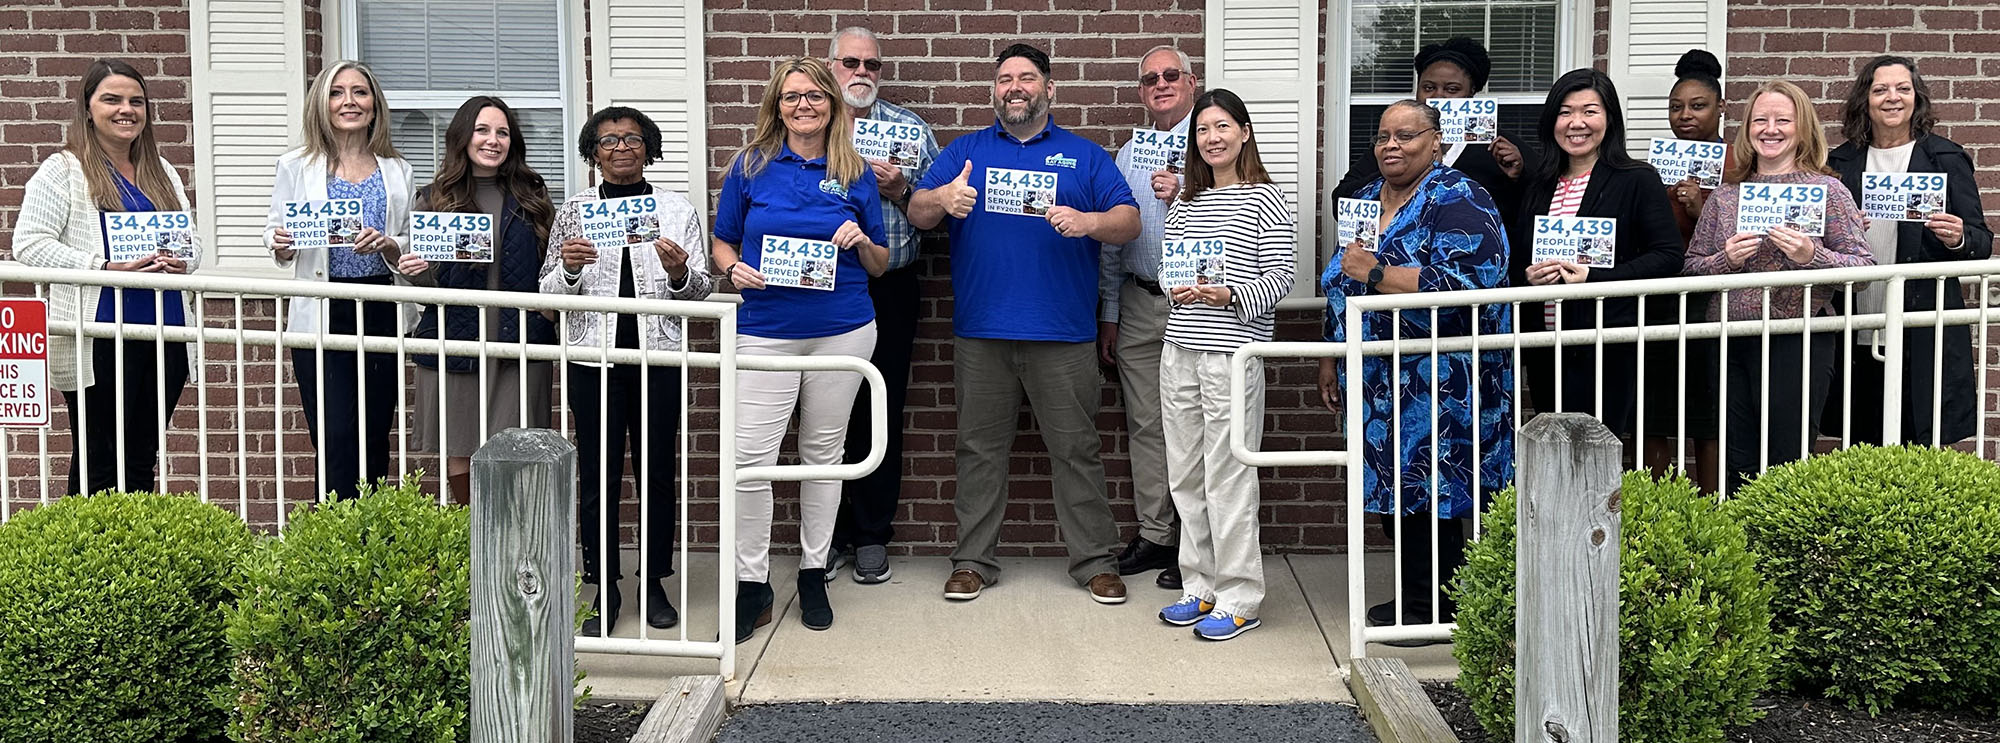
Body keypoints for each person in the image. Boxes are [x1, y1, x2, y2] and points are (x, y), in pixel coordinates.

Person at [909, 43, 1141, 605]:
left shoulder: (1084, 157)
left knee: (1077, 450)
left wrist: (1088, 220)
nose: (1015, 87)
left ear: (1049, 89)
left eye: (1027, 78)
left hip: (1063, 334)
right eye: (1005, 79)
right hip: (981, 333)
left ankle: (1094, 562)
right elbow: (917, 212)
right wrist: (943, 196)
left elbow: (1130, 221)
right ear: (994, 91)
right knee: (978, 450)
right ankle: (972, 561)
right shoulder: (965, 152)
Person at [1315, 100, 1513, 642]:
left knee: (1438, 490)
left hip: (1445, 378)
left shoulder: (1461, 196)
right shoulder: (1362, 201)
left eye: (1406, 135)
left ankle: (1438, 606)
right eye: (1382, 137)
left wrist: (1377, 271)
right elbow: (1341, 283)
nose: (1391, 146)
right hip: (1378, 377)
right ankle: (1417, 594)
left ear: (1436, 141)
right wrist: (1333, 353)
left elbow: (1470, 285)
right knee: (1392, 490)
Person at [711, 58, 888, 643]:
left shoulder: (856, 171)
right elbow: (723, 240)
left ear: (833, 105)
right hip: (765, 327)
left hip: (842, 328)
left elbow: (881, 262)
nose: (803, 106)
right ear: (776, 104)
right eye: (791, 98)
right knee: (749, 461)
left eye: (815, 96)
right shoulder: (750, 165)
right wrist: (734, 267)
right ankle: (751, 583)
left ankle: (814, 572)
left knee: (824, 454)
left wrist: (861, 240)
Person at [540, 106, 713, 635]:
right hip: (594, 358)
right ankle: (603, 586)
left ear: (649, 148)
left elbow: (705, 288)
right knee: (597, 474)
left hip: (657, 358)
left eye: (632, 139)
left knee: (656, 471)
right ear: (592, 151)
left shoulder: (676, 210)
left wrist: (680, 271)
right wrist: (569, 269)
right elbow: (547, 293)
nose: (620, 147)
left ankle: (654, 580)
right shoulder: (573, 211)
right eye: (608, 140)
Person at [15, 58, 201, 497]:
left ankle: (134, 562)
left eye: (137, 101)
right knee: (100, 459)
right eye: (112, 99)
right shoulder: (62, 170)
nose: (127, 110)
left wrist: (182, 261)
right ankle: (90, 561)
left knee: (141, 458)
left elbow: (192, 248)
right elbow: (28, 245)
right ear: (88, 108)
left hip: (166, 329)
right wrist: (103, 268)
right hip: (99, 332)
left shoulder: (164, 172)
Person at [1148, 90, 1295, 641]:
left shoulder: (1265, 199)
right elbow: (1168, 269)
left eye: (1222, 126)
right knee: (1185, 475)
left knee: (1228, 477)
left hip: (1231, 353)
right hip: (1179, 349)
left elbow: (1279, 279)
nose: (1212, 137)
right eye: (1203, 130)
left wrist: (1228, 294)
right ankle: (1199, 585)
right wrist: (1176, 287)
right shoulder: (1184, 202)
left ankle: (1239, 595)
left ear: (1244, 133)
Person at [1684, 81, 1874, 492]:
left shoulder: (1829, 191)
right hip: (1729, 338)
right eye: (1760, 120)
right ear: (1747, 128)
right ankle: (1738, 551)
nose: (1770, 129)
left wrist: (1812, 256)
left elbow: (1863, 271)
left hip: (1799, 337)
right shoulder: (1726, 197)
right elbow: (1691, 273)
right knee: (1736, 458)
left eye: (1783, 120)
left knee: (1788, 459)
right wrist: (1726, 260)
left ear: (1802, 128)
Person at [262, 60, 426, 501]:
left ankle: (371, 543)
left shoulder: (397, 170)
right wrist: (280, 242)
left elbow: (409, 239)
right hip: (323, 307)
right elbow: (277, 229)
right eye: (337, 93)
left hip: (379, 306)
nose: (349, 101)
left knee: (375, 429)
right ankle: (333, 544)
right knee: (334, 433)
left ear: (374, 107)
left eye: (360, 92)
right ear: (322, 104)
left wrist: (390, 244)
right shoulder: (296, 165)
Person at [1824, 56, 1991, 448]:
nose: (1892, 98)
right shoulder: (1839, 163)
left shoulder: (1946, 158)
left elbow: (1981, 243)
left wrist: (1957, 238)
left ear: (1917, 98)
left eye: (1902, 88)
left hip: (1922, 329)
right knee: (1858, 440)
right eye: (1880, 89)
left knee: (1921, 438)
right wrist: (1844, 231)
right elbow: (1821, 241)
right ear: (1865, 100)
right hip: (1857, 323)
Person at [1509, 69, 1682, 442]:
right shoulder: (1539, 185)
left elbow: (1668, 257)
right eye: (1565, 112)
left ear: (1610, 118)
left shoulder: (1636, 178)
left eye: (1590, 111)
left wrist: (1594, 279)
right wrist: (1528, 276)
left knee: (1598, 452)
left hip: (1607, 341)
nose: (1577, 123)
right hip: (1545, 344)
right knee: (1553, 451)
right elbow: (1518, 259)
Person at [826, 26, 941, 586]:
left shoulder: (911, 132)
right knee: (823, 414)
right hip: (819, 289)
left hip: (890, 287)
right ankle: (825, 539)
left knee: (880, 409)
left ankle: (871, 536)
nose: (862, 73)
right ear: (831, 66)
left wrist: (899, 189)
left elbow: (939, 211)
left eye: (872, 64)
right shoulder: (806, 128)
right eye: (851, 62)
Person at [407, 96, 558, 502]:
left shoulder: (533, 197)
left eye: (503, 132)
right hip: (456, 337)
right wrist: (415, 271)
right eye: (483, 130)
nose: (493, 141)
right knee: (462, 447)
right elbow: (429, 292)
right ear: (463, 137)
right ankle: (473, 540)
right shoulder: (433, 199)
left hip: (520, 340)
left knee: (517, 451)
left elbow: (551, 271)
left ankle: (512, 549)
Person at [1099, 44, 1200, 590]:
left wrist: (1186, 189)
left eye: (1170, 75)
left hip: (1201, 303)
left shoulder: (1214, 139)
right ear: (1141, 92)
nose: (1160, 84)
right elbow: (1115, 242)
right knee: (1146, 421)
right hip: (1140, 300)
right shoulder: (1129, 155)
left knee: (1199, 420)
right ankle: (1157, 532)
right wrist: (1111, 314)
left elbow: (1246, 202)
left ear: (1191, 81)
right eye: (1149, 80)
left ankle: (1198, 539)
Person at [1331, 38, 1531, 225]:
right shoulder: (1390, 145)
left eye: (1452, 89)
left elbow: (1530, 217)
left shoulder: (1499, 148)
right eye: (1428, 87)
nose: (1439, 96)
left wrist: (1518, 177)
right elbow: (1340, 204)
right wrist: (1393, 172)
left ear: (1471, 93)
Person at [1643, 49, 1727, 492]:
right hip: (1662, 297)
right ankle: (1662, 509)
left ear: (1720, 109)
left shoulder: (1739, 164)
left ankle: (1714, 509)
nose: (1685, 115)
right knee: (1655, 411)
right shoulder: (1653, 166)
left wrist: (1703, 208)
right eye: (1676, 107)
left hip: (1713, 299)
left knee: (1707, 411)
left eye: (1697, 106)